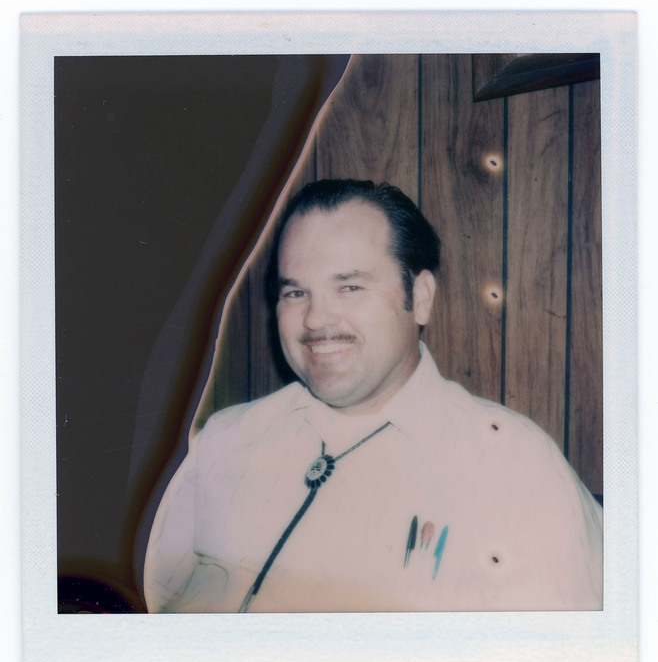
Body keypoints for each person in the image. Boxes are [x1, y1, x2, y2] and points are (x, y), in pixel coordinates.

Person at [143, 179, 603, 613]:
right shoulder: (223, 439)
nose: (315, 319)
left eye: (350, 286)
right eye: (296, 292)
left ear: (419, 297)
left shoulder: (514, 467)